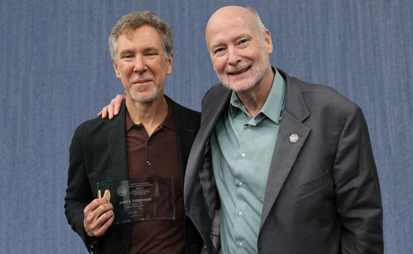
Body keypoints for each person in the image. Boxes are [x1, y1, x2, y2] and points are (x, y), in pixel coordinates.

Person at [100, 6, 383, 254]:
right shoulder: (214, 105)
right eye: (220, 49)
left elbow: (364, 225)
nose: (233, 58)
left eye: (242, 42)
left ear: (267, 41)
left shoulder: (335, 116)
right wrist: (128, 104)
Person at [64, 11, 202, 254]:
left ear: (168, 62)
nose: (139, 66)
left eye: (150, 53)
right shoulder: (89, 137)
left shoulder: (200, 129)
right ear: (117, 68)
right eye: (128, 56)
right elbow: (74, 201)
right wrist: (86, 224)